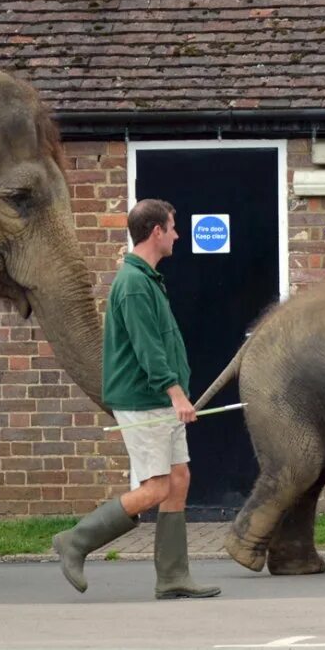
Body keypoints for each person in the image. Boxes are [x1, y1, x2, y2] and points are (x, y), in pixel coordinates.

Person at [52, 198, 220, 599]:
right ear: (157, 232)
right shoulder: (133, 285)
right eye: (173, 228)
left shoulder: (147, 279)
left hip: (159, 399)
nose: (178, 235)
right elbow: (148, 349)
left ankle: (173, 576)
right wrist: (176, 393)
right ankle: (76, 541)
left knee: (179, 479)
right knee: (157, 486)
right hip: (146, 401)